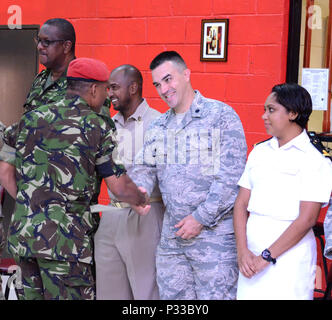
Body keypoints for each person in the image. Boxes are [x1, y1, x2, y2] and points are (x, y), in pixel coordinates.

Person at [0, 58, 150, 300]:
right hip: (65, 243)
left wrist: (29, 201)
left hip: (25, 239)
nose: (106, 96)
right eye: (104, 89)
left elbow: (5, 170)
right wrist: (140, 198)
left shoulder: (32, 118)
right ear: (93, 89)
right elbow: (119, 186)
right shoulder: (96, 126)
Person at [130, 51, 247, 300]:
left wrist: (200, 218)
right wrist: (138, 191)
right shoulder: (159, 126)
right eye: (157, 84)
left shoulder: (221, 116)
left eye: (168, 79)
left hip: (214, 241)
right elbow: (144, 167)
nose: (164, 89)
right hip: (173, 241)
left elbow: (230, 177)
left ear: (186, 74)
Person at [233, 83, 332, 300]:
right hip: (250, 257)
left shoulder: (314, 159)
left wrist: (266, 258)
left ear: (293, 113)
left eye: (271, 110)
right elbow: (241, 204)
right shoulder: (259, 152)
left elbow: (306, 219)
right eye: (264, 109)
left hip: (289, 260)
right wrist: (242, 252)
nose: (264, 116)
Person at [93, 64, 164, 300]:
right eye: (108, 88)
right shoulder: (107, 126)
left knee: (145, 291)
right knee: (109, 291)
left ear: (133, 87)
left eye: (114, 87)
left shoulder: (159, 123)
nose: (109, 93)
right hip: (111, 214)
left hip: (145, 213)